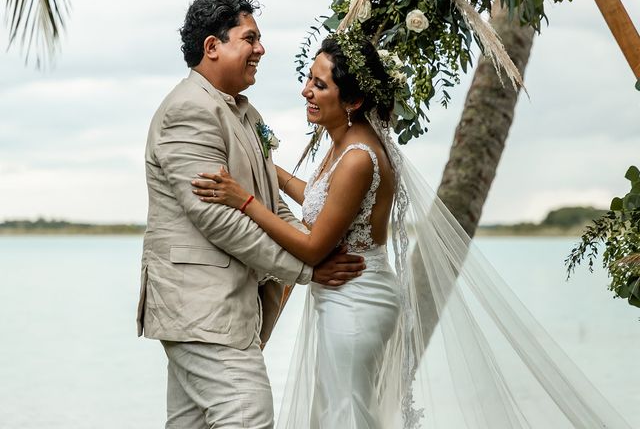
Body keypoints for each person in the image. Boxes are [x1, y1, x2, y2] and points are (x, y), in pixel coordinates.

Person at [191, 29, 633, 428]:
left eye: (319, 84)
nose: (306, 90)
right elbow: (319, 200)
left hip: (356, 301)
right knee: (337, 410)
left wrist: (242, 200)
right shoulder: (347, 141)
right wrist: (268, 170)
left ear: (354, 101)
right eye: (309, 78)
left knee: (347, 413)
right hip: (345, 296)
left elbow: (312, 246)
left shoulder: (359, 156)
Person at [136, 0, 365, 429]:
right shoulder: (189, 109)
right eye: (250, 38)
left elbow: (269, 202)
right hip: (200, 307)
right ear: (212, 46)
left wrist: (313, 243)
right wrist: (307, 269)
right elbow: (218, 219)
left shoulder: (246, 113)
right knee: (249, 414)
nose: (262, 49)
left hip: (226, 310)